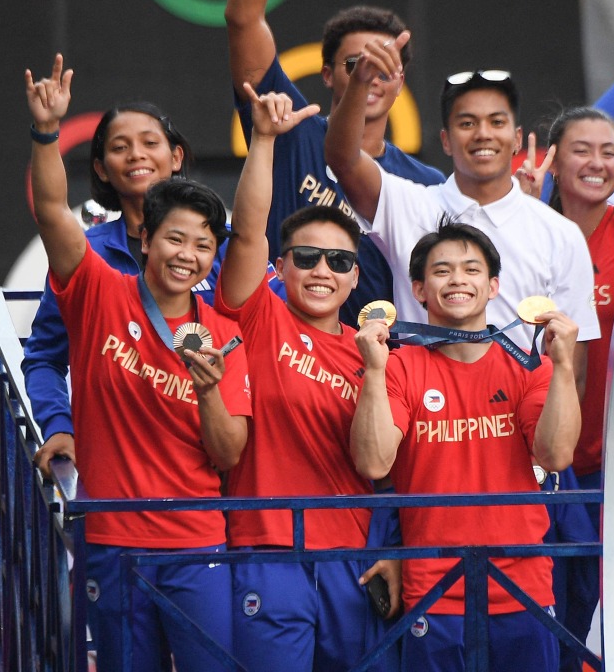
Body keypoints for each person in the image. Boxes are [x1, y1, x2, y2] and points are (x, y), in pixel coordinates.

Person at [25, 56, 251, 671]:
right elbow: (50, 212)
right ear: (145, 240)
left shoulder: (224, 331)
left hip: (198, 543)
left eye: (204, 245)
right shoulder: (98, 285)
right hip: (111, 541)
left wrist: (209, 392)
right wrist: (48, 133)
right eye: (175, 239)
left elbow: (229, 453)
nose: (188, 255)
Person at [216, 87, 399, 671]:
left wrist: (396, 552)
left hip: (355, 561)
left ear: (354, 282)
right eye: (307, 257)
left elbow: (391, 469)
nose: (323, 270)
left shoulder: (376, 354)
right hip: (269, 551)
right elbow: (248, 231)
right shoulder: (261, 317)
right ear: (281, 267)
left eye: (340, 262)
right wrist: (264, 140)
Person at [352, 219, 581, 672]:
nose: (457, 279)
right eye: (441, 271)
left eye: (471, 269)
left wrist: (564, 368)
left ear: (494, 286)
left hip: (522, 586)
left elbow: (555, 456)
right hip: (434, 590)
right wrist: (374, 373)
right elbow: (374, 461)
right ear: (417, 290)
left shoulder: (526, 366)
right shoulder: (398, 367)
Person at [225, 0, 445, 327]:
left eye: (384, 67)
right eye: (355, 66)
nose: (370, 77)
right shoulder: (290, 131)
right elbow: (244, 19)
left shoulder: (425, 185)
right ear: (326, 75)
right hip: (275, 349)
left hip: (375, 370)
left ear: (401, 82)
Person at [323, 37, 600, 386]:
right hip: (421, 423)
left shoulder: (560, 234)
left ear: (516, 138)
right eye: (467, 123)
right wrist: (360, 83)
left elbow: (572, 371)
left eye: (496, 122)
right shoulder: (407, 203)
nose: (483, 134)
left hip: (516, 429)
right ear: (445, 140)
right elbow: (342, 159)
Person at [24, 69, 221, 476]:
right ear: (99, 168)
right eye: (120, 147)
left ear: (176, 156)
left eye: (151, 143)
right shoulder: (86, 257)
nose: (136, 155)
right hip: (117, 463)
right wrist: (59, 426)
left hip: (211, 458)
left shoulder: (223, 248)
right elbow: (45, 356)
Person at [518, 106, 614, 668]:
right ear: (554, 160)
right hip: (534, 455)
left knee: (598, 601)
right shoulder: (531, 229)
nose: (598, 163)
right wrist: (523, 211)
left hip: (611, 460)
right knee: (537, 598)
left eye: (609, 150)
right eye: (583, 150)